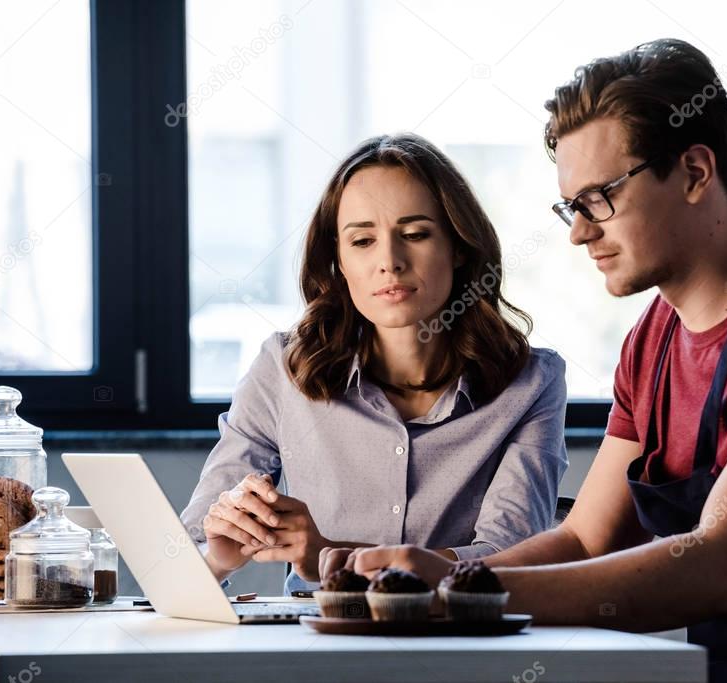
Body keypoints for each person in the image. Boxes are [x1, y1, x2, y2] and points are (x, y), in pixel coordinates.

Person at [327, 40, 727, 681]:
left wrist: (457, 598)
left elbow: (724, 566)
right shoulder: (654, 337)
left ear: (696, 172)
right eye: (571, 206)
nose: (578, 232)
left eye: (599, 198)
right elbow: (587, 539)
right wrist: (439, 574)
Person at [180, 133, 568, 595]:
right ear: (338, 261)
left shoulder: (531, 383)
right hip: (316, 651)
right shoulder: (281, 369)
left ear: (460, 247)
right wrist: (219, 557)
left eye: (416, 234)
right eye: (362, 240)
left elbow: (508, 560)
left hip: (462, 649)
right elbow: (193, 553)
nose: (390, 261)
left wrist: (329, 556)